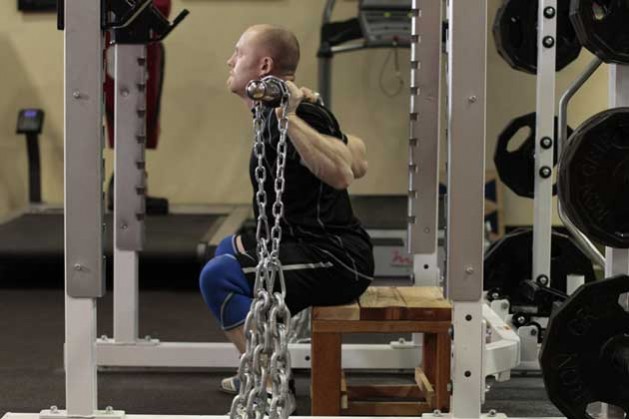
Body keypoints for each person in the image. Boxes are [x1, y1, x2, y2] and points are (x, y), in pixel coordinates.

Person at [198, 24, 374, 408]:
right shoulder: (284, 108)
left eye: (238, 53)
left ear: (263, 65)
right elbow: (356, 154)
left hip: (339, 260)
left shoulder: (300, 113)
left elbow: (347, 170)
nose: (230, 61)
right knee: (228, 248)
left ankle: (271, 385)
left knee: (218, 276)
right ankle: (263, 363)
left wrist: (291, 116)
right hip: (310, 248)